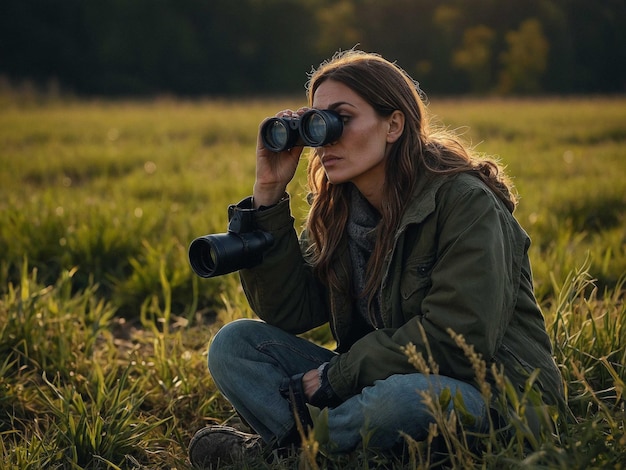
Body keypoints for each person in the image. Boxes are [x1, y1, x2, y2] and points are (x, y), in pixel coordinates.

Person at [188, 50, 564, 468]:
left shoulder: (466, 203)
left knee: (406, 398)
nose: (325, 138)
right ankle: (327, 450)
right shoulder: (340, 210)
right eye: (316, 124)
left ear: (394, 125)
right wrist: (269, 191)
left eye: (341, 119)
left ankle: (284, 456)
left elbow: (456, 343)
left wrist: (338, 376)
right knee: (234, 345)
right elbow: (289, 312)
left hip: (490, 401)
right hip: (378, 384)